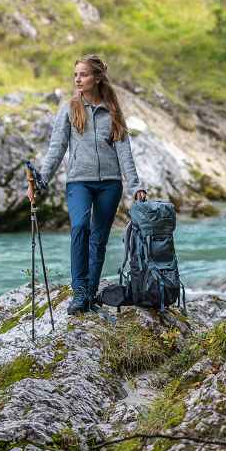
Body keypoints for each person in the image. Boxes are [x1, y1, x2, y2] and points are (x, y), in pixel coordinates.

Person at [30, 54, 146, 315]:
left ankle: (90, 293)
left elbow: (124, 151)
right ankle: (79, 291)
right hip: (79, 181)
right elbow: (57, 147)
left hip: (110, 184)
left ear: (97, 78)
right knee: (80, 227)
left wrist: (135, 185)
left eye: (83, 75)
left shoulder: (113, 110)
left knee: (99, 238)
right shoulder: (70, 108)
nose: (77, 79)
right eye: (75, 75)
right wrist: (41, 180)